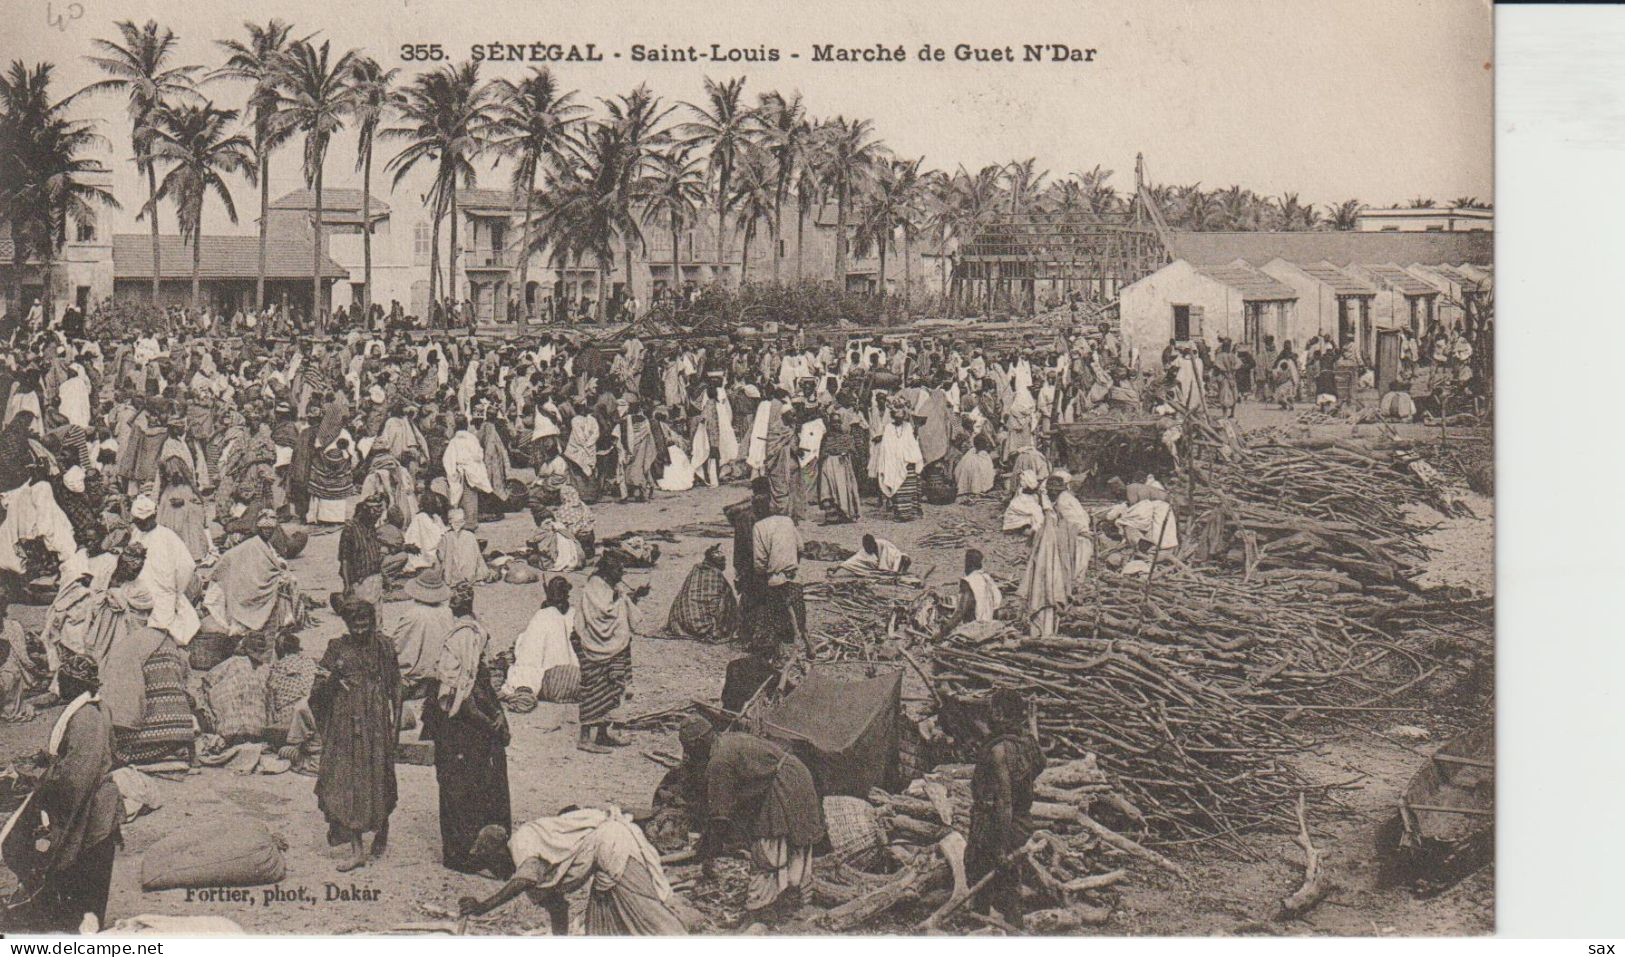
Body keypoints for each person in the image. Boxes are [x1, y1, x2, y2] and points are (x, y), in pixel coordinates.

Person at [1, 653, 121, 933]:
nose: (57, 685)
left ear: (74, 686)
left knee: (82, 868)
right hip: (91, 801)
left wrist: (34, 779)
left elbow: (75, 776)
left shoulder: (87, 719)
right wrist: (41, 761)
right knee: (78, 871)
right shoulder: (90, 710)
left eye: (62, 681)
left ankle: (79, 926)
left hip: (94, 809)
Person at [679, 718, 827, 920]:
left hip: (786, 784)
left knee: (767, 851)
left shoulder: (719, 762)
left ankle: (760, 909)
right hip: (796, 773)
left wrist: (708, 854)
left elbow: (720, 818)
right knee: (788, 848)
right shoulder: (727, 740)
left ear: (698, 743)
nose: (688, 754)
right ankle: (790, 896)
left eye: (688, 748)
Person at [457, 806, 685, 935]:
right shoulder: (531, 866)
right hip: (603, 864)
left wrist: (483, 906)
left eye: (493, 863)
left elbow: (525, 878)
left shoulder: (522, 842)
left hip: (613, 846)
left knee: (650, 918)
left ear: (499, 851)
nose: (497, 872)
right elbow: (558, 908)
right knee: (601, 930)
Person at [422, 583, 511, 873]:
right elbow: (462, 696)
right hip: (459, 728)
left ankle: (482, 848)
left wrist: (497, 717)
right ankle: (463, 855)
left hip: (471, 726)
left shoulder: (468, 637)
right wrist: (493, 723)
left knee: (479, 785)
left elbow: (476, 681)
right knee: (462, 788)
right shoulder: (461, 643)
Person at [311, 597, 400, 872]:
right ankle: (357, 848)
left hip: (375, 723)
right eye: (355, 625)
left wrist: (395, 725)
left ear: (372, 622)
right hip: (344, 725)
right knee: (347, 781)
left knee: (377, 776)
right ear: (347, 624)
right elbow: (317, 690)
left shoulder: (383, 647)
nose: (361, 630)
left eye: (365, 624)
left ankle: (381, 826)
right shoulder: (336, 648)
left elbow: (396, 685)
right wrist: (333, 680)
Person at [967, 688, 1045, 929]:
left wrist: (1000, 848)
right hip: (1021, 824)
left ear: (999, 713)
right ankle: (1011, 928)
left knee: (981, 877)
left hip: (995, 828)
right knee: (1010, 883)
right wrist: (1033, 724)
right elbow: (1041, 763)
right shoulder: (1026, 744)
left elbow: (1004, 803)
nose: (988, 715)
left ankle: (980, 929)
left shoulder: (998, 751)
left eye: (991, 710)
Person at [573, 552, 641, 753]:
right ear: (606, 570)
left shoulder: (612, 585)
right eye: (618, 570)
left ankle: (602, 733)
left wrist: (634, 597)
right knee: (594, 687)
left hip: (614, 645)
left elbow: (617, 606)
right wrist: (622, 600)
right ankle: (584, 738)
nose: (622, 574)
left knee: (613, 686)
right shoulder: (594, 587)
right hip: (594, 644)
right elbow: (603, 613)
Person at [128, 494, 199, 646]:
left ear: (154, 516)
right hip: (139, 592)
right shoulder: (136, 534)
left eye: (146, 521)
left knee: (161, 634)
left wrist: (176, 589)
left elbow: (187, 566)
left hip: (163, 593)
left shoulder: (167, 536)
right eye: (139, 522)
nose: (142, 524)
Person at [502, 576, 580, 707]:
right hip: (579, 678)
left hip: (552, 681)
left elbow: (528, 658)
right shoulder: (575, 614)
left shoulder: (543, 616)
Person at [749, 495, 809, 659]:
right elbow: (801, 547)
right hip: (794, 575)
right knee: (799, 613)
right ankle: (806, 645)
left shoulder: (759, 527)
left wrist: (762, 574)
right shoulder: (787, 521)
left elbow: (759, 560)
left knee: (777, 617)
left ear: (756, 510)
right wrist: (792, 563)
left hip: (776, 579)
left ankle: (781, 652)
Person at [1020, 484, 1076, 638]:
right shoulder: (1057, 520)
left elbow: (1046, 548)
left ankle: (1043, 634)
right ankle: (1046, 633)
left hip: (1047, 567)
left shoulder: (1051, 522)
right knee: (1048, 597)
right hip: (1051, 567)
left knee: (1044, 595)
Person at [665, 545, 739, 643]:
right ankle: (716, 628)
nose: (724, 564)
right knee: (726, 597)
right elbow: (728, 601)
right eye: (723, 561)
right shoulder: (716, 574)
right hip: (706, 626)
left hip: (684, 623)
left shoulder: (695, 570)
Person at [937, 548, 1004, 637]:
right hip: (990, 627)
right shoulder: (988, 579)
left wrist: (942, 633)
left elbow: (961, 612)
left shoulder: (969, 582)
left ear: (968, 564)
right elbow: (996, 606)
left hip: (974, 629)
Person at [839, 534, 911, 575]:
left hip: (893, 562)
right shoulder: (864, 550)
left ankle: (899, 572)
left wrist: (895, 570)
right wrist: (839, 566)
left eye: (869, 547)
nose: (867, 549)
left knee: (905, 559)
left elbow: (896, 556)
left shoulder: (884, 544)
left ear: (873, 544)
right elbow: (854, 559)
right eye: (865, 547)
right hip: (879, 568)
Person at [954, 433, 996, 497]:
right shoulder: (978, 455)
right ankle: (976, 489)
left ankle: (972, 488)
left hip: (967, 480)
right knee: (976, 470)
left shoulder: (971, 452)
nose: (986, 445)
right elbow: (987, 470)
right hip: (976, 480)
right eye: (985, 444)